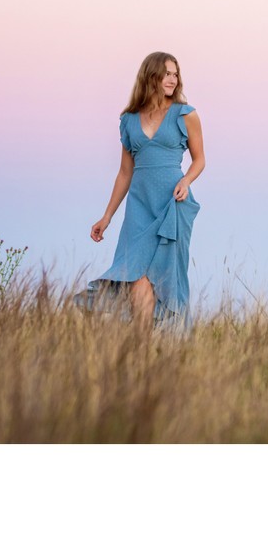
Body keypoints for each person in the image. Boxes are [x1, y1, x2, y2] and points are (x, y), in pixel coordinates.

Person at [73, 52, 206, 334]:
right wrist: (106, 216)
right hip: (139, 208)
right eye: (167, 73)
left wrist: (187, 181)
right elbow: (124, 172)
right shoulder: (129, 120)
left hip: (172, 204)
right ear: (151, 76)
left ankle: (152, 348)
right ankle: (142, 351)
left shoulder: (186, 114)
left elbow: (200, 160)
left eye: (175, 74)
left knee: (161, 279)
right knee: (135, 277)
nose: (173, 79)